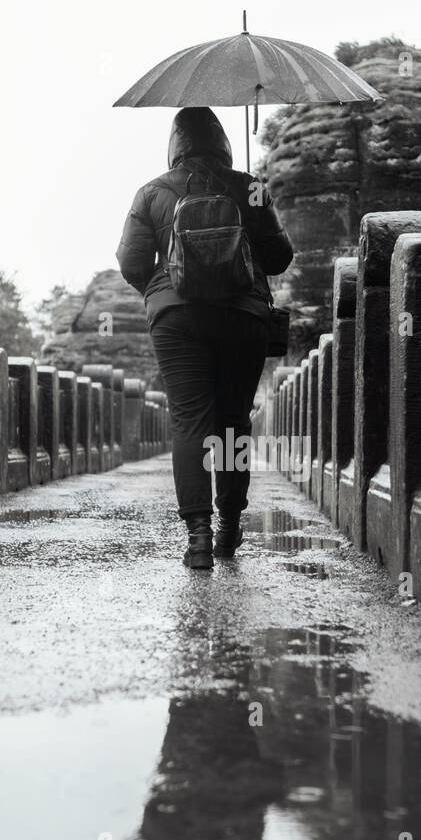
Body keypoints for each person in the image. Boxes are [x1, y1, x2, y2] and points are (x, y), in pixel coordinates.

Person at [116, 107, 293, 570]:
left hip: (177, 320)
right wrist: (250, 209)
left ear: (175, 143)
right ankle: (229, 524)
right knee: (234, 421)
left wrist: (166, 291)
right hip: (244, 315)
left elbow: (132, 263)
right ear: (222, 142)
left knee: (189, 422)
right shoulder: (249, 186)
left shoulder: (151, 192)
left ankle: (197, 537)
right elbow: (279, 259)